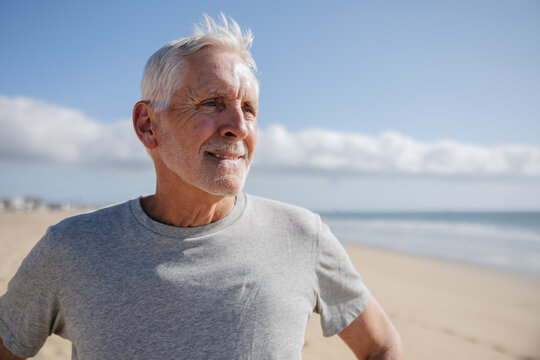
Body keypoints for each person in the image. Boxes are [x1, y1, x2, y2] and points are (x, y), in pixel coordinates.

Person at [0, 14, 402, 360]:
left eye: (249, 109)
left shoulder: (302, 235)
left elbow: (381, 346)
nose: (239, 128)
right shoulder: (72, 248)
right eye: (211, 103)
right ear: (148, 125)